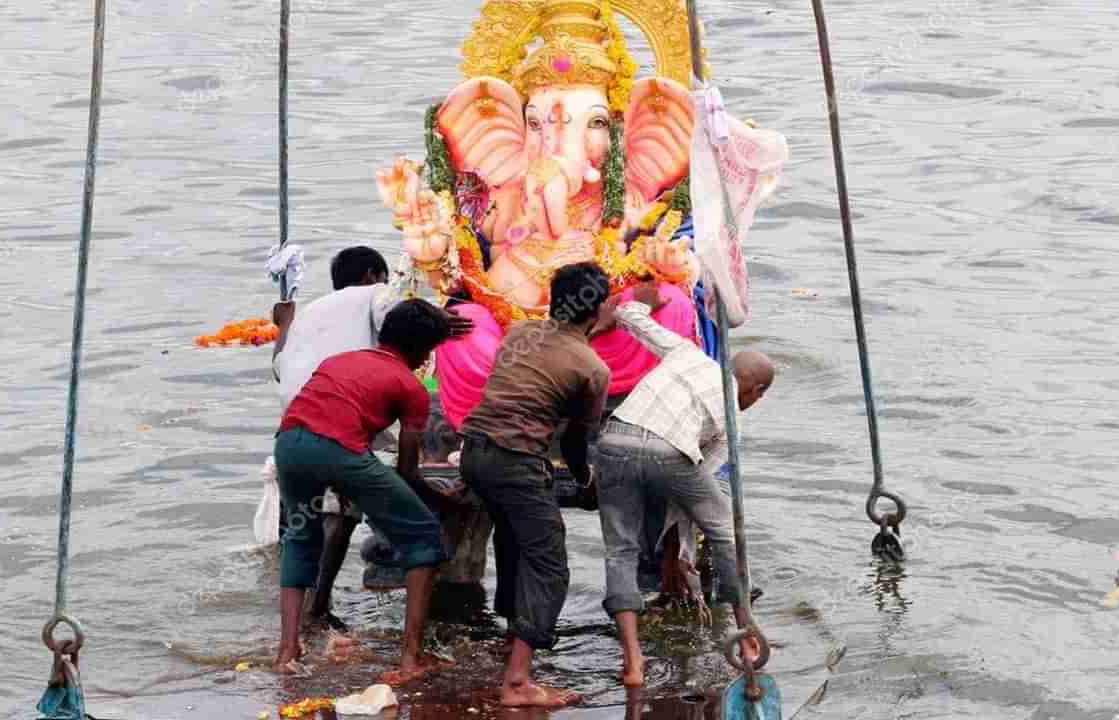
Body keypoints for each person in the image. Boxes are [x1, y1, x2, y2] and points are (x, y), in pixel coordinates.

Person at [271, 247, 469, 628]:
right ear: (372, 275)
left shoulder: (311, 314)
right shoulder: (377, 295)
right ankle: (403, 641)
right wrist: (441, 318)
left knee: (303, 533)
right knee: (408, 529)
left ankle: (291, 643)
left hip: (294, 425)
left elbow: (280, 368)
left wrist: (283, 325)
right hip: (342, 426)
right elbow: (396, 312)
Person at [592, 281, 774, 687]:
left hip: (614, 438)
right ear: (756, 390)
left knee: (620, 549)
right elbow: (693, 490)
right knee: (726, 530)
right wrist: (681, 549)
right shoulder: (732, 419)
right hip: (667, 450)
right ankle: (746, 635)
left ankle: (634, 663)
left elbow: (633, 319)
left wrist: (643, 303)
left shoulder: (688, 353)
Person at [458, 262, 614, 708]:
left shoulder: (520, 331)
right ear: (599, 308)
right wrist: (586, 480)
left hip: (473, 453)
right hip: (515, 462)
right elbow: (576, 441)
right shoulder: (593, 368)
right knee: (549, 565)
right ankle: (518, 682)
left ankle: (513, 637)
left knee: (512, 541)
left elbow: (532, 374)